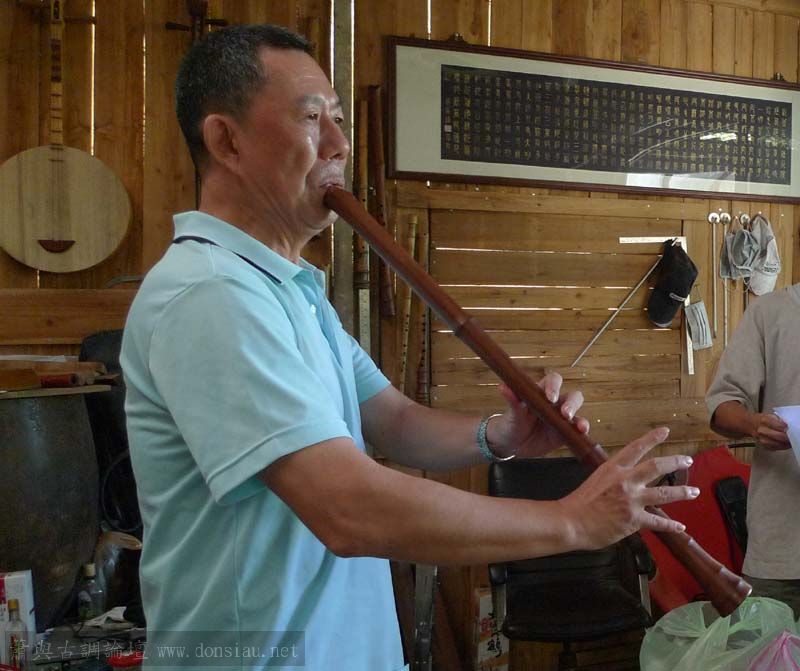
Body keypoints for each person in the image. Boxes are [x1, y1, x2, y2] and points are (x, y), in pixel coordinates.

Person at [120, 24, 697, 671]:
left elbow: (393, 420)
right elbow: (346, 507)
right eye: (311, 119)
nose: (339, 144)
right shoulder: (212, 295)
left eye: (339, 119)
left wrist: (499, 434)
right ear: (226, 140)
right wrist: (571, 521)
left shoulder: (287, 290)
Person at [706, 282, 800, 616]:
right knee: (768, 644)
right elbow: (721, 406)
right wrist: (752, 423)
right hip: (783, 547)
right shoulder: (771, 312)